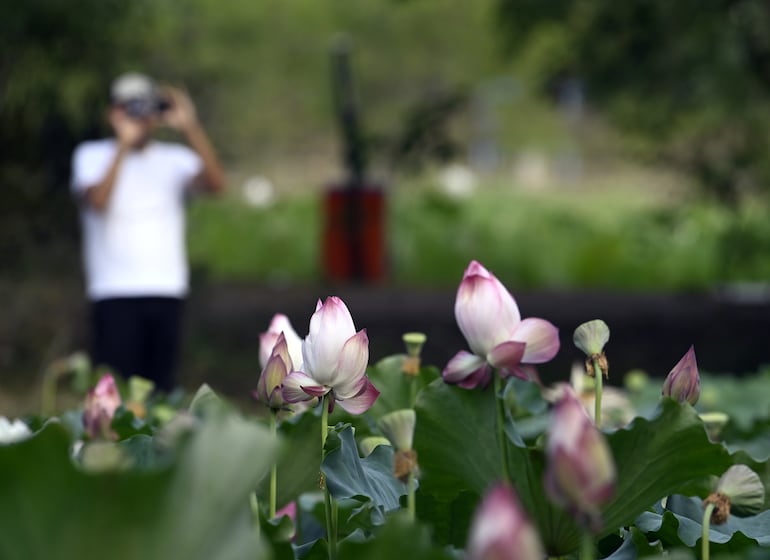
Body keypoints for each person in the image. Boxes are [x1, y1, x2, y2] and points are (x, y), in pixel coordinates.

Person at [71, 72, 225, 392]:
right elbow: (98, 201)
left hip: (166, 288)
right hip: (113, 291)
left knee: (162, 392)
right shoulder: (91, 155)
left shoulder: (175, 159)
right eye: (130, 108)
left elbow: (216, 185)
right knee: (114, 392)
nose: (139, 117)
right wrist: (122, 147)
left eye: (145, 108)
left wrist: (189, 126)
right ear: (113, 113)